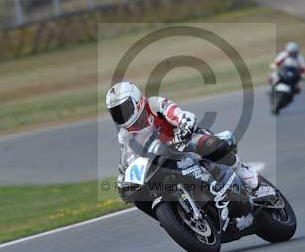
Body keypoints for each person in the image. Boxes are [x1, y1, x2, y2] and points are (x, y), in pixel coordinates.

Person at [106, 81, 275, 200]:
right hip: (160, 159)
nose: (121, 115)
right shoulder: (124, 134)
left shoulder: (154, 104)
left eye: (124, 109)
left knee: (212, 146)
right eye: (116, 112)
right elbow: (128, 156)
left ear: (136, 101)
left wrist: (183, 124)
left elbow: (176, 113)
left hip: (183, 141)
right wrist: (124, 173)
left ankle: (251, 181)